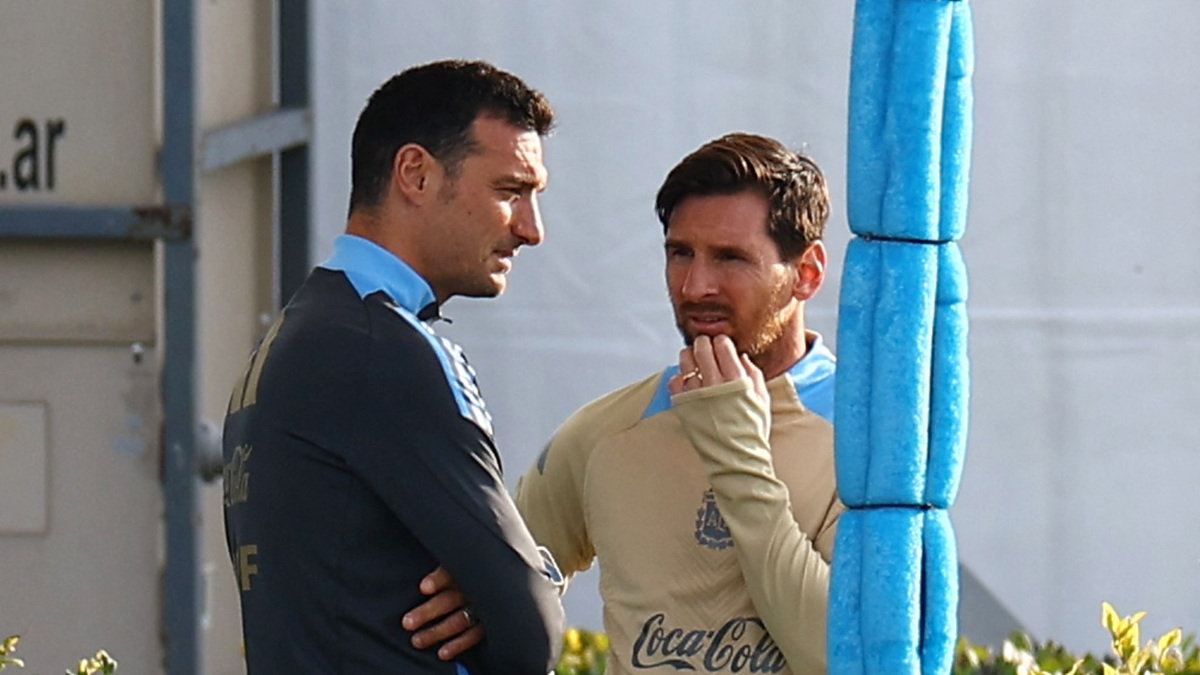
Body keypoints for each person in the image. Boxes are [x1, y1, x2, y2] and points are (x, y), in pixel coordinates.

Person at [407, 133, 843, 675]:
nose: (695, 284)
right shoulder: (606, 432)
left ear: (807, 273)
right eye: (680, 253)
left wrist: (737, 454)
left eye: (730, 258)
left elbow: (843, 657)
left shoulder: (865, 442)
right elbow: (484, 594)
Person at [221, 59, 566, 675]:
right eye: (511, 191)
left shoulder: (297, 334)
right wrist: (522, 581)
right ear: (415, 173)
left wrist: (497, 584)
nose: (532, 230)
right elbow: (533, 631)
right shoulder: (386, 347)